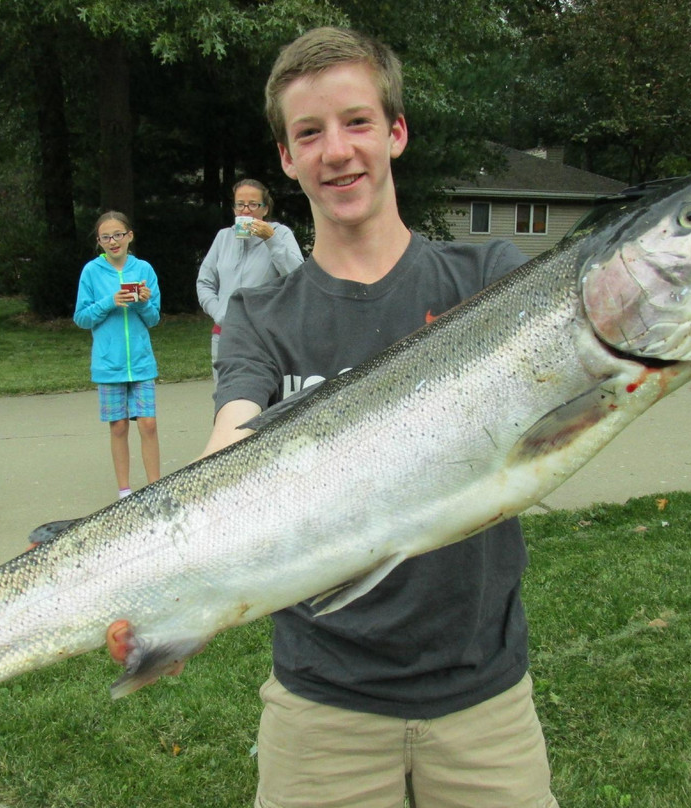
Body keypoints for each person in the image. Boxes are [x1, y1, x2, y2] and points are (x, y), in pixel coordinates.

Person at [107, 27, 559, 808]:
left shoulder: (486, 282)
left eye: (356, 122)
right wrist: (176, 590)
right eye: (309, 132)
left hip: (485, 702)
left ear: (396, 132)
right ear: (286, 157)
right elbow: (232, 446)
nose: (337, 150)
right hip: (320, 707)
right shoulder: (260, 316)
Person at [74, 211, 162, 500]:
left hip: (140, 362)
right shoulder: (91, 272)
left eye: (118, 235)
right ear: (98, 242)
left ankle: (154, 487)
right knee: (119, 426)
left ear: (130, 236)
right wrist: (110, 302)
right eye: (106, 237)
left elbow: (153, 319)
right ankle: (125, 491)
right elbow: (82, 318)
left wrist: (141, 303)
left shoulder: (144, 269)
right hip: (108, 364)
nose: (113, 242)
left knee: (148, 423)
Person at [196, 179, 303, 380]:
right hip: (226, 334)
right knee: (225, 398)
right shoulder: (223, 237)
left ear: (265, 209)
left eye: (253, 204)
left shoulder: (280, 234)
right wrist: (219, 313)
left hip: (266, 336)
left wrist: (271, 240)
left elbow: (297, 276)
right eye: (240, 204)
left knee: (267, 399)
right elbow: (205, 282)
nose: (246, 211)